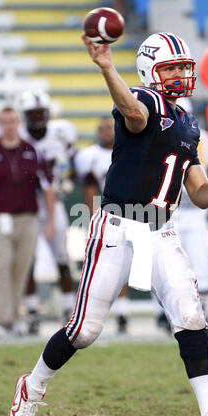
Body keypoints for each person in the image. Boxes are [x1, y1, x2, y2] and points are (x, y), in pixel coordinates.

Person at [8, 32, 208, 416]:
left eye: (186, 66)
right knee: (84, 330)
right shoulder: (145, 100)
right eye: (173, 67)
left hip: (162, 231)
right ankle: (32, 386)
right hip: (118, 225)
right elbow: (133, 112)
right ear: (151, 69)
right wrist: (106, 66)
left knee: (190, 316)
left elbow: (200, 196)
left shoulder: (188, 122)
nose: (184, 73)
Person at [0, 106, 54, 338]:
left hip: (27, 217)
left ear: (18, 123)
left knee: (21, 269)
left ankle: (12, 320)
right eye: (4, 121)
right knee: (1, 266)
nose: (9, 126)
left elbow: (47, 186)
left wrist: (49, 220)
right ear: (0, 124)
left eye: (12, 121)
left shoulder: (32, 150)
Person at [17, 90, 77, 333]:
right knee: (27, 261)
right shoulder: (18, 137)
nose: (39, 118)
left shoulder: (60, 134)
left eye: (41, 113)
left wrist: (67, 179)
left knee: (62, 258)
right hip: (28, 206)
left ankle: (68, 308)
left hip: (54, 205)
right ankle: (31, 312)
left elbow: (72, 164)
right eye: (34, 114)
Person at [75, 116, 131, 334]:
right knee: (110, 266)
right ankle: (108, 315)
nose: (105, 131)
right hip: (111, 213)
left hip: (138, 212)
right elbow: (89, 189)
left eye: (109, 127)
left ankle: (135, 314)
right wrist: (94, 218)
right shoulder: (91, 157)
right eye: (101, 128)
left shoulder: (129, 149)